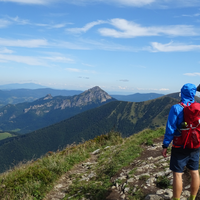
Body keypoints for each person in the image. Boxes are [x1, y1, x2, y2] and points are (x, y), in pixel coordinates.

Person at [162, 83, 200, 200]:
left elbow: (170, 128)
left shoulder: (176, 108)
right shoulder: (198, 108)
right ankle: (192, 197)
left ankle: (176, 199)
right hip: (195, 144)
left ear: (182, 93)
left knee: (178, 174)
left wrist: (165, 145)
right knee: (194, 172)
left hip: (180, 145)